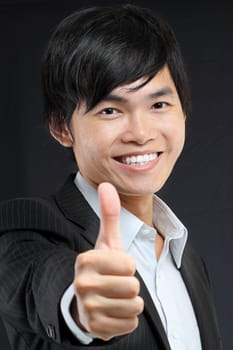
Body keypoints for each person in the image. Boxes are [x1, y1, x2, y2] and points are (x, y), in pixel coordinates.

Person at [0, 4, 221, 350]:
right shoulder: (25, 229)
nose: (141, 132)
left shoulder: (187, 258)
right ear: (62, 127)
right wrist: (79, 306)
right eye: (110, 110)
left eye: (158, 105)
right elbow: (37, 283)